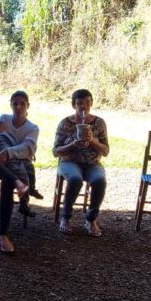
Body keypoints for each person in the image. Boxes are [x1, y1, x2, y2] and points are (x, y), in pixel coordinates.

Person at [0, 90, 40, 253]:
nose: (18, 107)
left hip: (18, 166)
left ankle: (2, 235)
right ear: (10, 104)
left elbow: (29, 148)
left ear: (28, 106)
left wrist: (8, 152)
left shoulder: (32, 128)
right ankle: (17, 182)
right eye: (15, 103)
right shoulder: (3, 118)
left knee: (7, 182)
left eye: (22, 104)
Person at [53, 88, 109, 237]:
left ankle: (91, 219)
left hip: (92, 163)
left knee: (99, 181)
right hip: (69, 161)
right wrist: (72, 145)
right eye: (79, 103)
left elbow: (105, 151)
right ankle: (66, 217)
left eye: (87, 102)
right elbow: (55, 151)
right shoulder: (65, 123)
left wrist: (93, 141)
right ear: (73, 105)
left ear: (91, 103)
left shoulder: (99, 123)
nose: (83, 106)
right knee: (75, 179)